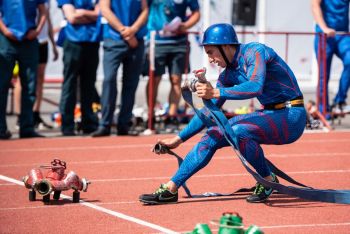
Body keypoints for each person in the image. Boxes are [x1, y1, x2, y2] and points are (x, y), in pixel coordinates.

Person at [139, 23, 307, 204]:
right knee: (213, 134)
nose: (210, 59)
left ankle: (268, 179)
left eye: (211, 52)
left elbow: (255, 86)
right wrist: (178, 140)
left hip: (291, 116)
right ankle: (171, 189)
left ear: (225, 46)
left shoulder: (255, 51)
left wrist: (215, 92)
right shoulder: (227, 76)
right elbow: (209, 113)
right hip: (270, 114)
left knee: (239, 131)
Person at [91, 0, 148, 137]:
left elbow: (145, 10)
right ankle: (105, 124)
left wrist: (133, 30)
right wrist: (125, 31)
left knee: (131, 83)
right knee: (109, 80)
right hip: (114, 39)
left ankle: (124, 124)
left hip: (136, 40)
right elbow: (104, 9)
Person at [145, 0, 200, 132]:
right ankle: (150, 115)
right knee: (154, 79)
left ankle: (171, 116)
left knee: (176, 79)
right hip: (156, 40)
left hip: (178, 42)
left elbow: (196, 13)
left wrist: (185, 25)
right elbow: (142, 8)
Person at [0, 0, 47, 139]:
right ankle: (1, 129)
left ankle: (27, 127)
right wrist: (5, 31)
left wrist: (37, 31)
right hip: (6, 40)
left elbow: (43, 11)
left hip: (29, 40)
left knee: (30, 86)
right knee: (2, 85)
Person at [57, 0, 101, 136]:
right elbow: (72, 17)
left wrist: (82, 13)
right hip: (72, 41)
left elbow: (100, 13)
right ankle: (67, 124)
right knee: (69, 84)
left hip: (92, 41)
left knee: (89, 85)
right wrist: (91, 15)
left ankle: (88, 123)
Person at [13, 1, 59, 130]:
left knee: (40, 79)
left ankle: (35, 114)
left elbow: (47, 17)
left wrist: (53, 45)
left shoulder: (47, 2)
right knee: (23, 79)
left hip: (42, 41)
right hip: (26, 39)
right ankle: (19, 116)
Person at [311, 0, 350, 114]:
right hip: (324, 35)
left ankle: (339, 101)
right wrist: (324, 28)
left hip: (343, 35)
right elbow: (314, 5)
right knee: (324, 75)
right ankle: (324, 111)